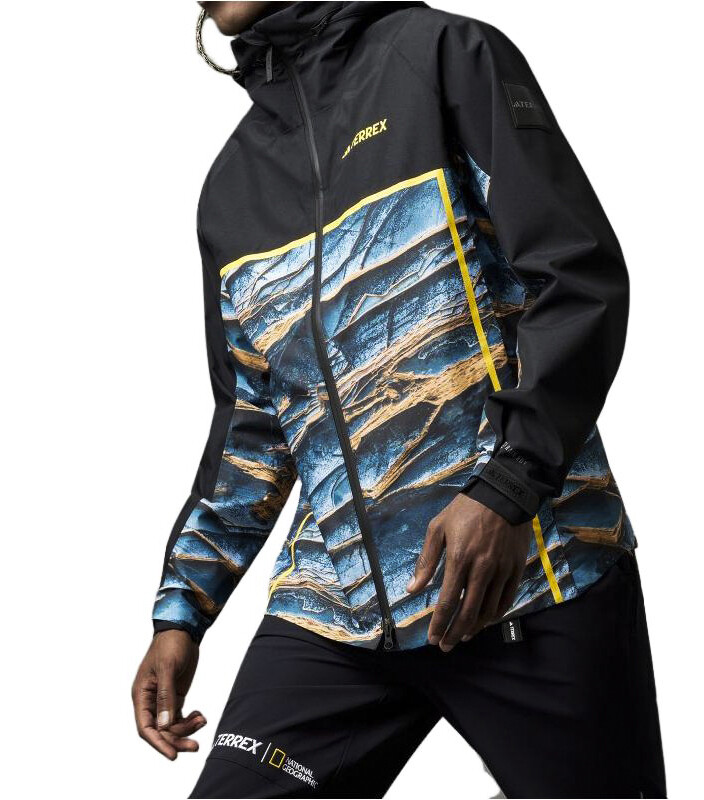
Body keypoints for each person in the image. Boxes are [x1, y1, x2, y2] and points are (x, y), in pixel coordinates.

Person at [132, 2, 666, 797]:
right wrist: (181, 612)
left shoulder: (443, 56)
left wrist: (507, 489)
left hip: (531, 577)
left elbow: (576, 281)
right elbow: (254, 428)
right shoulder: (233, 190)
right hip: (334, 614)